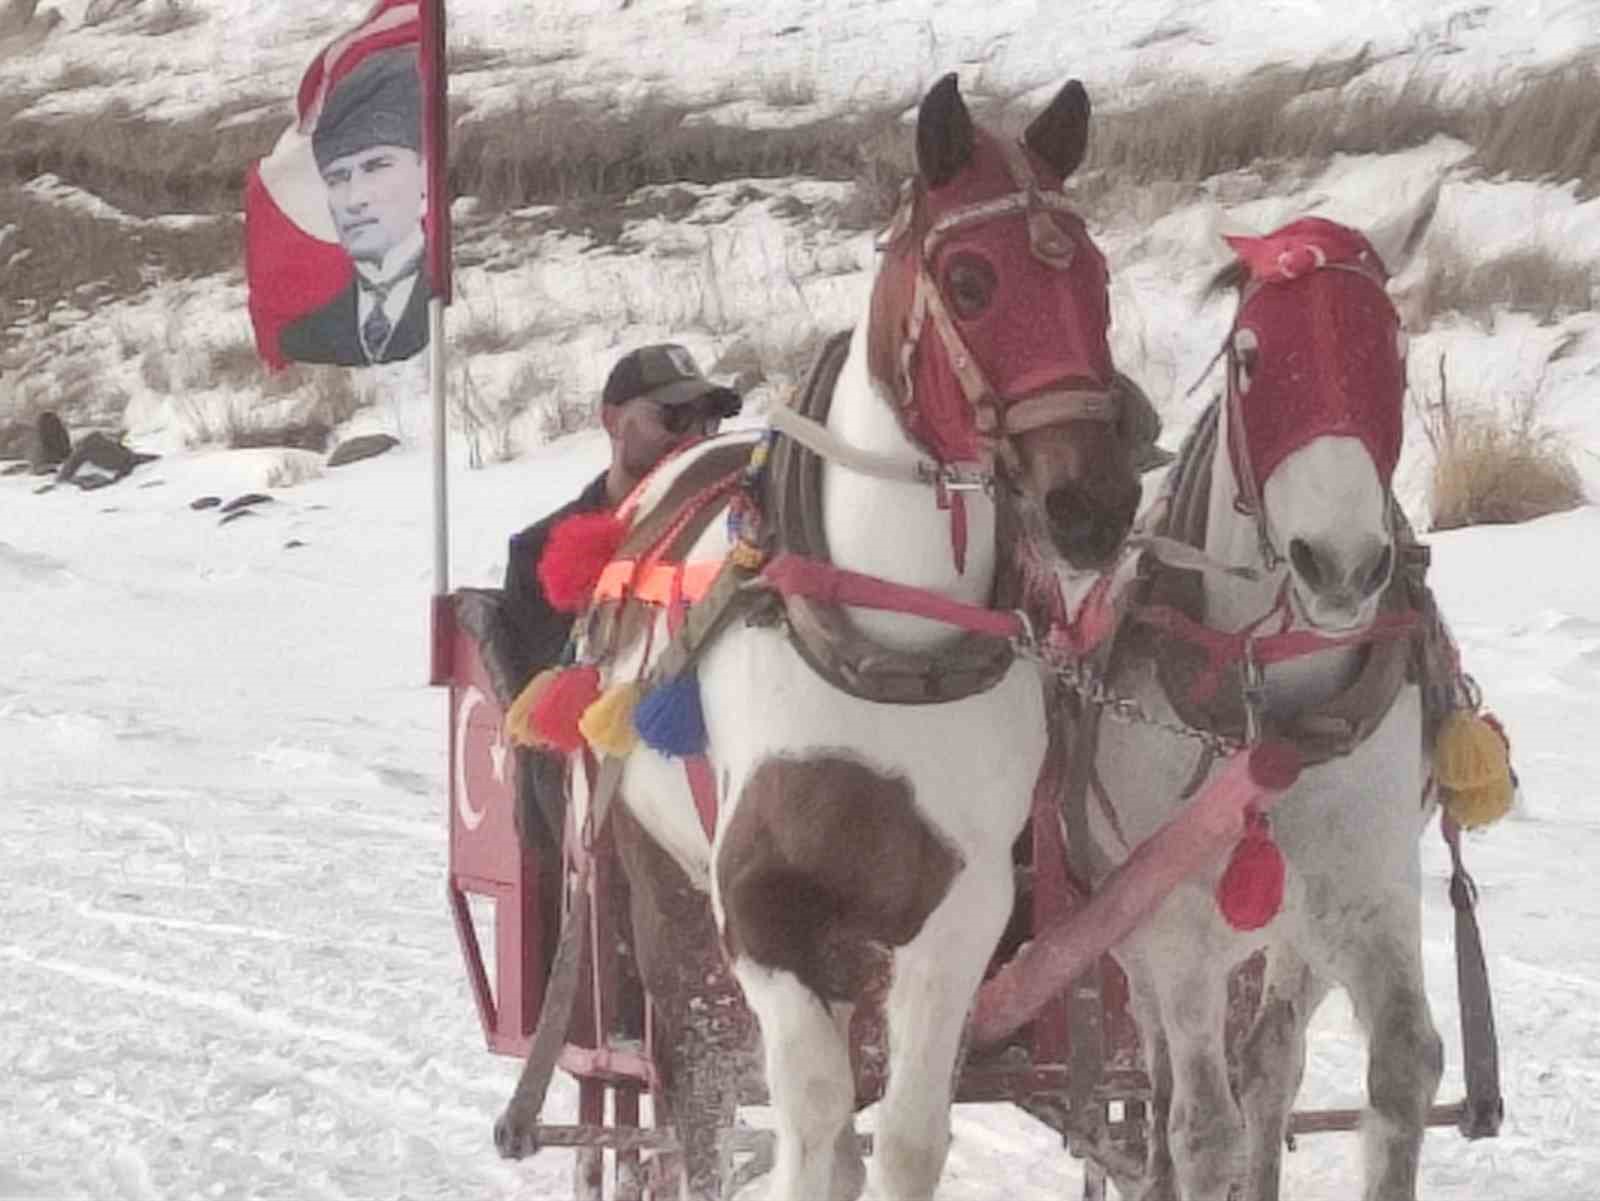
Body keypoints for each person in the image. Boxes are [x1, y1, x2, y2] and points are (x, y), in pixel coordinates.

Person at [498, 343, 741, 842]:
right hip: (602, 810)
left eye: (708, 422)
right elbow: (551, 735)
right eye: (673, 417)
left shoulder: (733, 534)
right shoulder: (541, 550)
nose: (694, 439)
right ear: (612, 420)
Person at [279, 46, 429, 367]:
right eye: (336, 178)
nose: (354, 198)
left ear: (425, 172)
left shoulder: (455, 307)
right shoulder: (305, 337)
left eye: (376, 167)